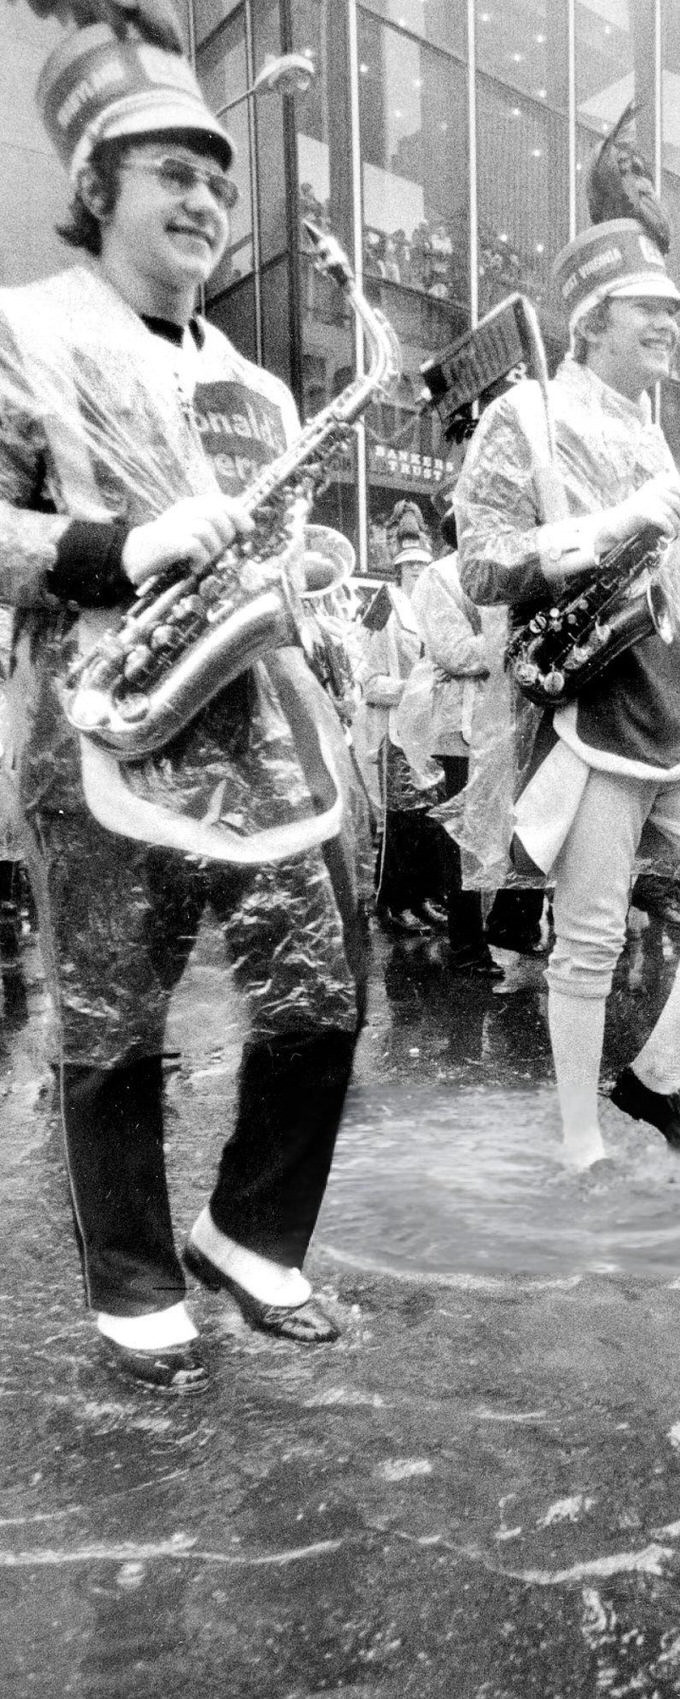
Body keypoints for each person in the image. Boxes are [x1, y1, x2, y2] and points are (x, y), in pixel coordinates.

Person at [0, 21, 368, 1395]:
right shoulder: (24, 329)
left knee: (322, 993)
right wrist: (116, 548)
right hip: (103, 715)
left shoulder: (260, 384)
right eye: (176, 173)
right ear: (98, 184)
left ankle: (252, 1234)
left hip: (256, 725)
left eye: (219, 181)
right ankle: (137, 1289)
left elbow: (265, 548)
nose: (207, 200)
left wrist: (306, 569)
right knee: (112, 1017)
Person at [454, 106, 680, 1169]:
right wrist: (603, 529)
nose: (671, 325)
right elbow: (479, 564)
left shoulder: (651, 428)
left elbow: (661, 576)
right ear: (593, 318)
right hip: (587, 704)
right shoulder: (523, 417)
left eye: (672, 310)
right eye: (651, 308)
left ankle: (652, 1074)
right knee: (591, 934)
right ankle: (578, 1142)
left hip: (673, 695)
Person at [406, 510, 501, 977]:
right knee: (461, 840)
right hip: (457, 727)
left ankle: (504, 927)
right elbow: (457, 654)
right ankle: (467, 946)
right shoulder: (439, 576)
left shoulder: (500, 571)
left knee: (496, 833)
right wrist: (512, 641)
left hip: (498, 723)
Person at [356, 499, 447, 937]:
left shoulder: (434, 610)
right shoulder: (384, 606)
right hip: (395, 734)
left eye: (423, 566)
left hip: (430, 733)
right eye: (409, 567)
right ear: (397, 569)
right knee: (401, 822)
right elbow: (368, 680)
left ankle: (422, 897)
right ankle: (392, 903)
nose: (417, 573)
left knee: (430, 820)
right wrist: (414, 690)